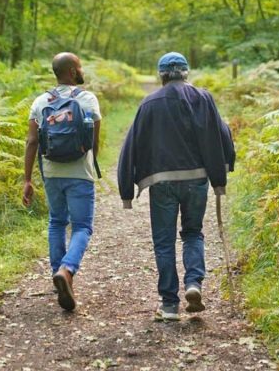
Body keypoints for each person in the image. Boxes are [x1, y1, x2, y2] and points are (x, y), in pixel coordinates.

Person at [117, 52, 235, 321]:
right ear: (186, 72)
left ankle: (169, 304)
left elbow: (130, 145)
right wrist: (221, 175)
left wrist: (127, 190)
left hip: (162, 182)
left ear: (161, 75)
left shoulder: (149, 103)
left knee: (164, 241)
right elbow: (222, 133)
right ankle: (194, 284)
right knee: (193, 233)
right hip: (196, 180)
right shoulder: (203, 97)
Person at [23, 52, 101, 311]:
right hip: (80, 174)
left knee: (57, 222)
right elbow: (93, 144)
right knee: (82, 227)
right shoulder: (88, 99)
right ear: (70, 71)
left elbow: (32, 141)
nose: (81, 69)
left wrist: (27, 179)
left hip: (52, 172)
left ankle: (59, 273)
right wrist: (89, 168)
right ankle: (67, 271)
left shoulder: (41, 101)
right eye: (78, 66)